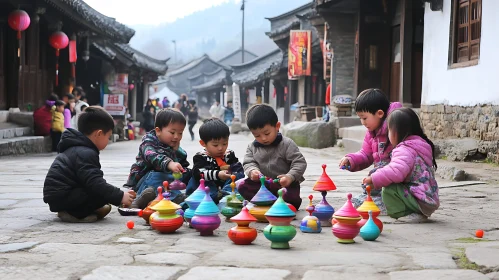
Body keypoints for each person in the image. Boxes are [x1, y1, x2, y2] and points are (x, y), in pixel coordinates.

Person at [43, 107, 136, 223]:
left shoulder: (79, 148)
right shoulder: (86, 153)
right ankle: (74, 214)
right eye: (108, 136)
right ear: (99, 134)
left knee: (102, 195)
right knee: (100, 193)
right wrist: (120, 196)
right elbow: (95, 183)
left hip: (60, 196)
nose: (108, 140)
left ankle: (76, 210)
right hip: (63, 197)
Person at [362, 108, 439, 223]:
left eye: (389, 130)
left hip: (419, 199)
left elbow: (396, 171)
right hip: (428, 198)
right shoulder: (420, 145)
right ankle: (416, 211)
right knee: (383, 173)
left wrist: (374, 179)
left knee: (388, 188)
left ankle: (409, 213)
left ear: (396, 132)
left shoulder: (404, 149)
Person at [338, 88, 402, 214]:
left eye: (365, 118)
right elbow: (366, 154)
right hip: (381, 179)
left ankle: (390, 202)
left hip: (397, 179)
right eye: (360, 118)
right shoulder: (371, 133)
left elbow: (402, 163)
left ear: (379, 113)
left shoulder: (396, 129)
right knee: (366, 190)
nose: (362, 122)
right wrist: (351, 160)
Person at [238, 104, 307, 210]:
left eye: (267, 133)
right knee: (242, 186)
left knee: (290, 196)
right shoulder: (252, 147)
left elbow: (299, 163)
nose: (263, 138)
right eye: (257, 135)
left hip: (284, 185)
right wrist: (252, 171)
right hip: (263, 185)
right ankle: (265, 202)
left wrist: (290, 177)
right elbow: (248, 162)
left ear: (277, 126)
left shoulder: (287, 144)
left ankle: (276, 203)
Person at [126, 108, 191, 208]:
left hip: (165, 181)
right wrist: (169, 163)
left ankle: (174, 198)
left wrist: (177, 152)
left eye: (180, 133)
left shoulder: (172, 144)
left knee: (180, 176)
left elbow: (182, 164)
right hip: (145, 181)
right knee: (156, 175)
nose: (177, 137)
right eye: (172, 133)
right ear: (158, 131)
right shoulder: (149, 141)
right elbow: (150, 155)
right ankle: (140, 199)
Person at [186, 119, 245, 205]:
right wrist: (218, 174)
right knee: (198, 178)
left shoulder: (229, 154)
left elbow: (239, 169)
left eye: (224, 144)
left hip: (226, 186)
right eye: (215, 145)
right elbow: (198, 173)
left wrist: (232, 172)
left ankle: (227, 193)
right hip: (208, 189)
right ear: (203, 143)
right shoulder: (201, 157)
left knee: (237, 175)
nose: (220, 148)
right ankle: (209, 197)